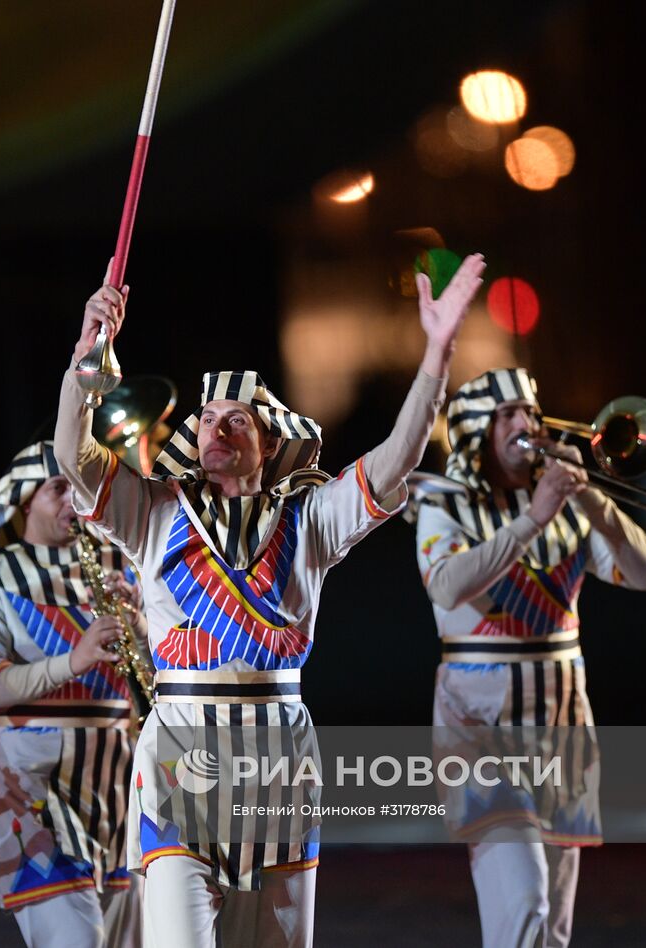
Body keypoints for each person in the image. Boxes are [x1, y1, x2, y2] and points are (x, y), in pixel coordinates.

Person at [53, 256, 484, 947]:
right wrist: (86, 359)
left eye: (238, 423)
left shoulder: (310, 519)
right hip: (181, 749)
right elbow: (75, 461)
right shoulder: (155, 510)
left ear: (270, 444)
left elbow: (397, 458)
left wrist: (438, 352)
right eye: (208, 420)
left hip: (278, 755)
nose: (217, 431)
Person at [409, 367, 646, 948]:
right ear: (478, 426)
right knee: (523, 900)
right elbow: (447, 586)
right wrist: (533, 519)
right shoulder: (444, 501)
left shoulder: (567, 505)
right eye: (508, 414)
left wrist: (596, 502)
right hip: (479, 725)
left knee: (552, 924)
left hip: (562, 724)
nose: (526, 424)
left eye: (529, 410)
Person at [0, 441, 143, 947]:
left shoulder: (117, 565)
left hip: (120, 788)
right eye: (58, 488)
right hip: (33, 785)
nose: (72, 501)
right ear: (22, 502)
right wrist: (72, 661)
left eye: (77, 488)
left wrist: (146, 625)